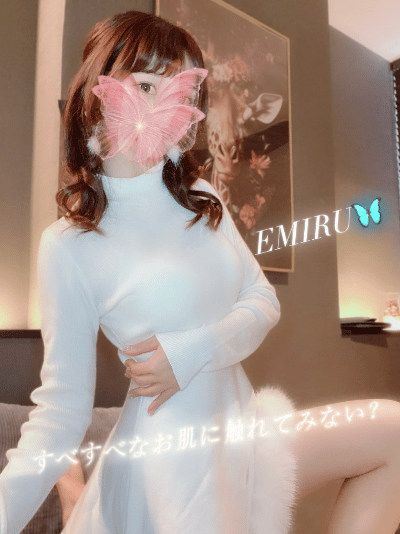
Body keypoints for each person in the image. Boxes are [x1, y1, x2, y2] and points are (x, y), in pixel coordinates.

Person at [2, 10, 400, 534]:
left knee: (392, 433)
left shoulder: (201, 199)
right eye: (147, 85)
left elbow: (263, 301)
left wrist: (191, 350)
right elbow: (60, 412)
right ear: (98, 92)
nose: (162, 107)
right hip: (170, 460)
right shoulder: (69, 245)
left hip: (244, 432)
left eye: (182, 92)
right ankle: (83, 503)